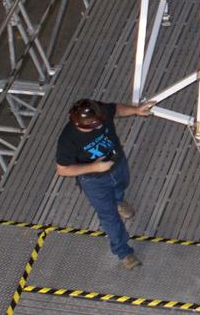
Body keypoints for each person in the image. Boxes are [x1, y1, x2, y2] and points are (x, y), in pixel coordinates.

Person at [54, 98, 155, 269]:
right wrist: (95, 167)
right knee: (109, 217)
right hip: (94, 181)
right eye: (94, 126)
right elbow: (62, 170)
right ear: (79, 124)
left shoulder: (99, 110)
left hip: (118, 164)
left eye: (100, 122)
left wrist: (136, 110)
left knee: (122, 184)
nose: (100, 127)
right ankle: (124, 252)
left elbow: (115, 109)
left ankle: (118, 200)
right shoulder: (68, 140)